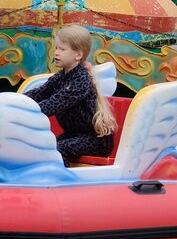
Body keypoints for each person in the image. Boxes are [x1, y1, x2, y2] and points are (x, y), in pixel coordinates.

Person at [24, 25, 117, 164]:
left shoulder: (81, 81)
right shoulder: (60, 76)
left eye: (62, 49)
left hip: (95, 140)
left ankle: (60, 181)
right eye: (56, 48)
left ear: (78, 55)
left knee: (57, 149)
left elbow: (53, 104)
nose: (56, 53)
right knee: (42, 147)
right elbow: (38, 93)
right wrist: (15, 101)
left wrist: (24, 112)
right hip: (73, 135)